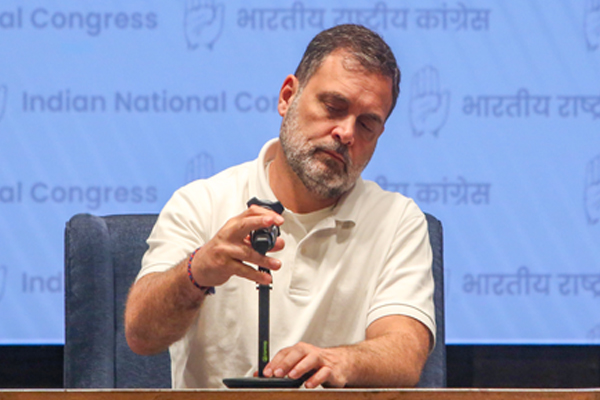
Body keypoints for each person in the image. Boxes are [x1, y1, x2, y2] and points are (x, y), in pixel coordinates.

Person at [125, 24, 435, 389]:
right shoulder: (202, 203)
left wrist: (340, 361)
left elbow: (405, 353)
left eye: (367, 124)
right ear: (288, 96)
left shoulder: (396, 220)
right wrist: (197, 273)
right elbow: (141, 336)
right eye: (333, 107)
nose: (346, 133)